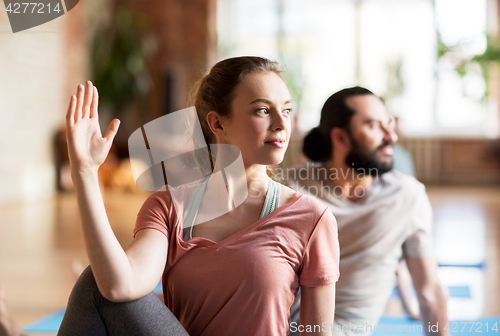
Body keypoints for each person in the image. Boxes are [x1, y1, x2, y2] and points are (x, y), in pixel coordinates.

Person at [58, 56, 340, 336]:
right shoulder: (169, 207)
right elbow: (120, 284)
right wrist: (84, 172)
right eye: (263, 111)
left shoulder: (311, 218)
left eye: (287, 110)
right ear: (217, 124)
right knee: (93, 282)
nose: (281, 124)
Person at [287, 87, 448, 335]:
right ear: (340, 138)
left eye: (389, 124)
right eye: (375, 126)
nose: (391, 136)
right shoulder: (292, 190)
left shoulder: (406, 197)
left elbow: (429, 289)